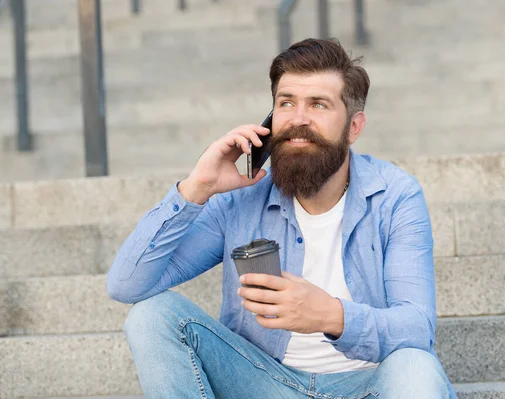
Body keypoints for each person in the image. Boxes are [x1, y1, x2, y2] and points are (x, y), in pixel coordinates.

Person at [107, 38, 456, 399]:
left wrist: (330, 315)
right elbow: (126, 285)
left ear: (354, 127)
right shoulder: (241, 198)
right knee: (150, 316)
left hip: (367, 387)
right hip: (262, 383)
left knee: (415, 365)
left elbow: (417, 328)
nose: (299, 119)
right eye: (286, 103)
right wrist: (197, 187)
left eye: (318, 104)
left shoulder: (395, 196)